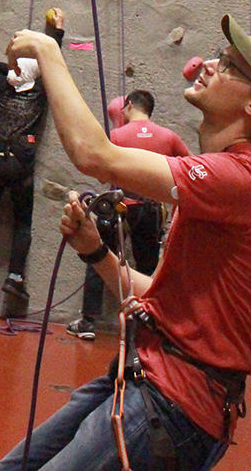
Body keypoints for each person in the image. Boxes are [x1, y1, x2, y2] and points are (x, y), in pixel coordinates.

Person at [0, 14, 251, 471]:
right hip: (148, 380)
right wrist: (96, 249)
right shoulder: (213, 181)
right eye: (221, 56)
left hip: (175, 405)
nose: (211, 64)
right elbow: (155, 293)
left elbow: (94, 155)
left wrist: (50, 51)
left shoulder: (238, 179)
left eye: (232, 67)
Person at [0, 9, 65, 317]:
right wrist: (55, 33)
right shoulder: (42, 92)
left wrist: (12, 63)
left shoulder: (2, 87)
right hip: (21, 162)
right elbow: (52, 65)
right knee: (22, 223)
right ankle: (15, 278)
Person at [68, 89, 190, 341]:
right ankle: (147, 324)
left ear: (129, 106)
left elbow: (101, 172)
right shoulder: (168, 137)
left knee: (99, 255)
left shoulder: (116, 135)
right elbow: (188, 170)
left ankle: (89, 321)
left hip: (119, 205)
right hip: (151, 209)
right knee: (147, 267)